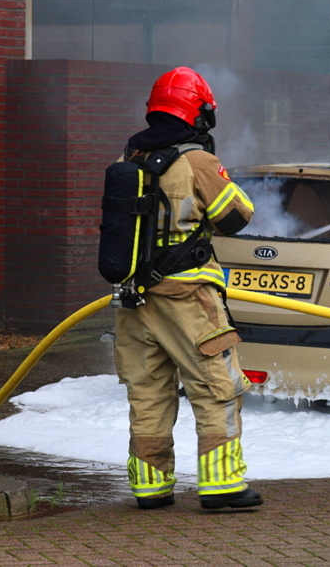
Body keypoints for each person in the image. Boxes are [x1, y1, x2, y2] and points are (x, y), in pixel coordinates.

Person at [111, 67, 263, 509]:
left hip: (134, 300)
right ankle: (222, 485)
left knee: (148, 394)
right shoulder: (195, 162)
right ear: (198, 113)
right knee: (217, 387)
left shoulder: (129, 158)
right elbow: (236, 216)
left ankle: (150, 488)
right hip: (187, 299)